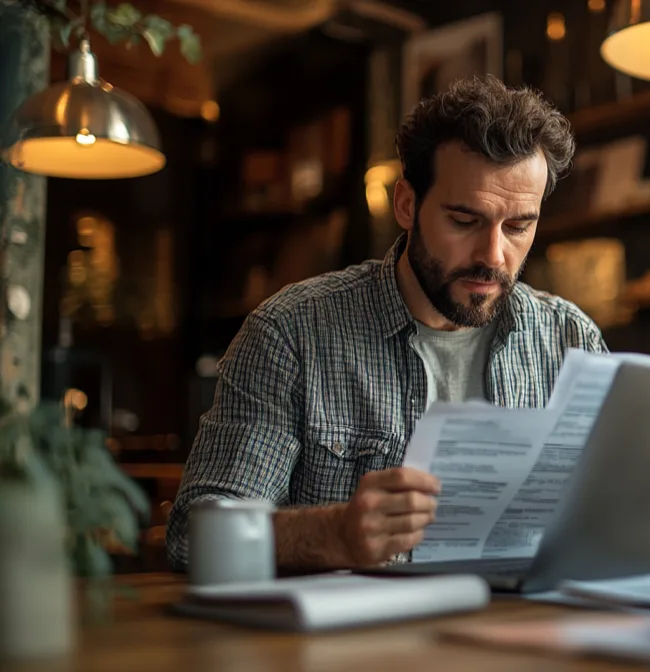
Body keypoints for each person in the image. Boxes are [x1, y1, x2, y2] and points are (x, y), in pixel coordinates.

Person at [166, 76, 607, 572]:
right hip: (354, 645)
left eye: (519, 226)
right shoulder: (291, 334)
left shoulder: (570, 340)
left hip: (524, 634)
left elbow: (611, 515)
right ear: (406, 205)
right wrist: (334, 534)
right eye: (464, 221)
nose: (493, 255)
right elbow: (195, 538)